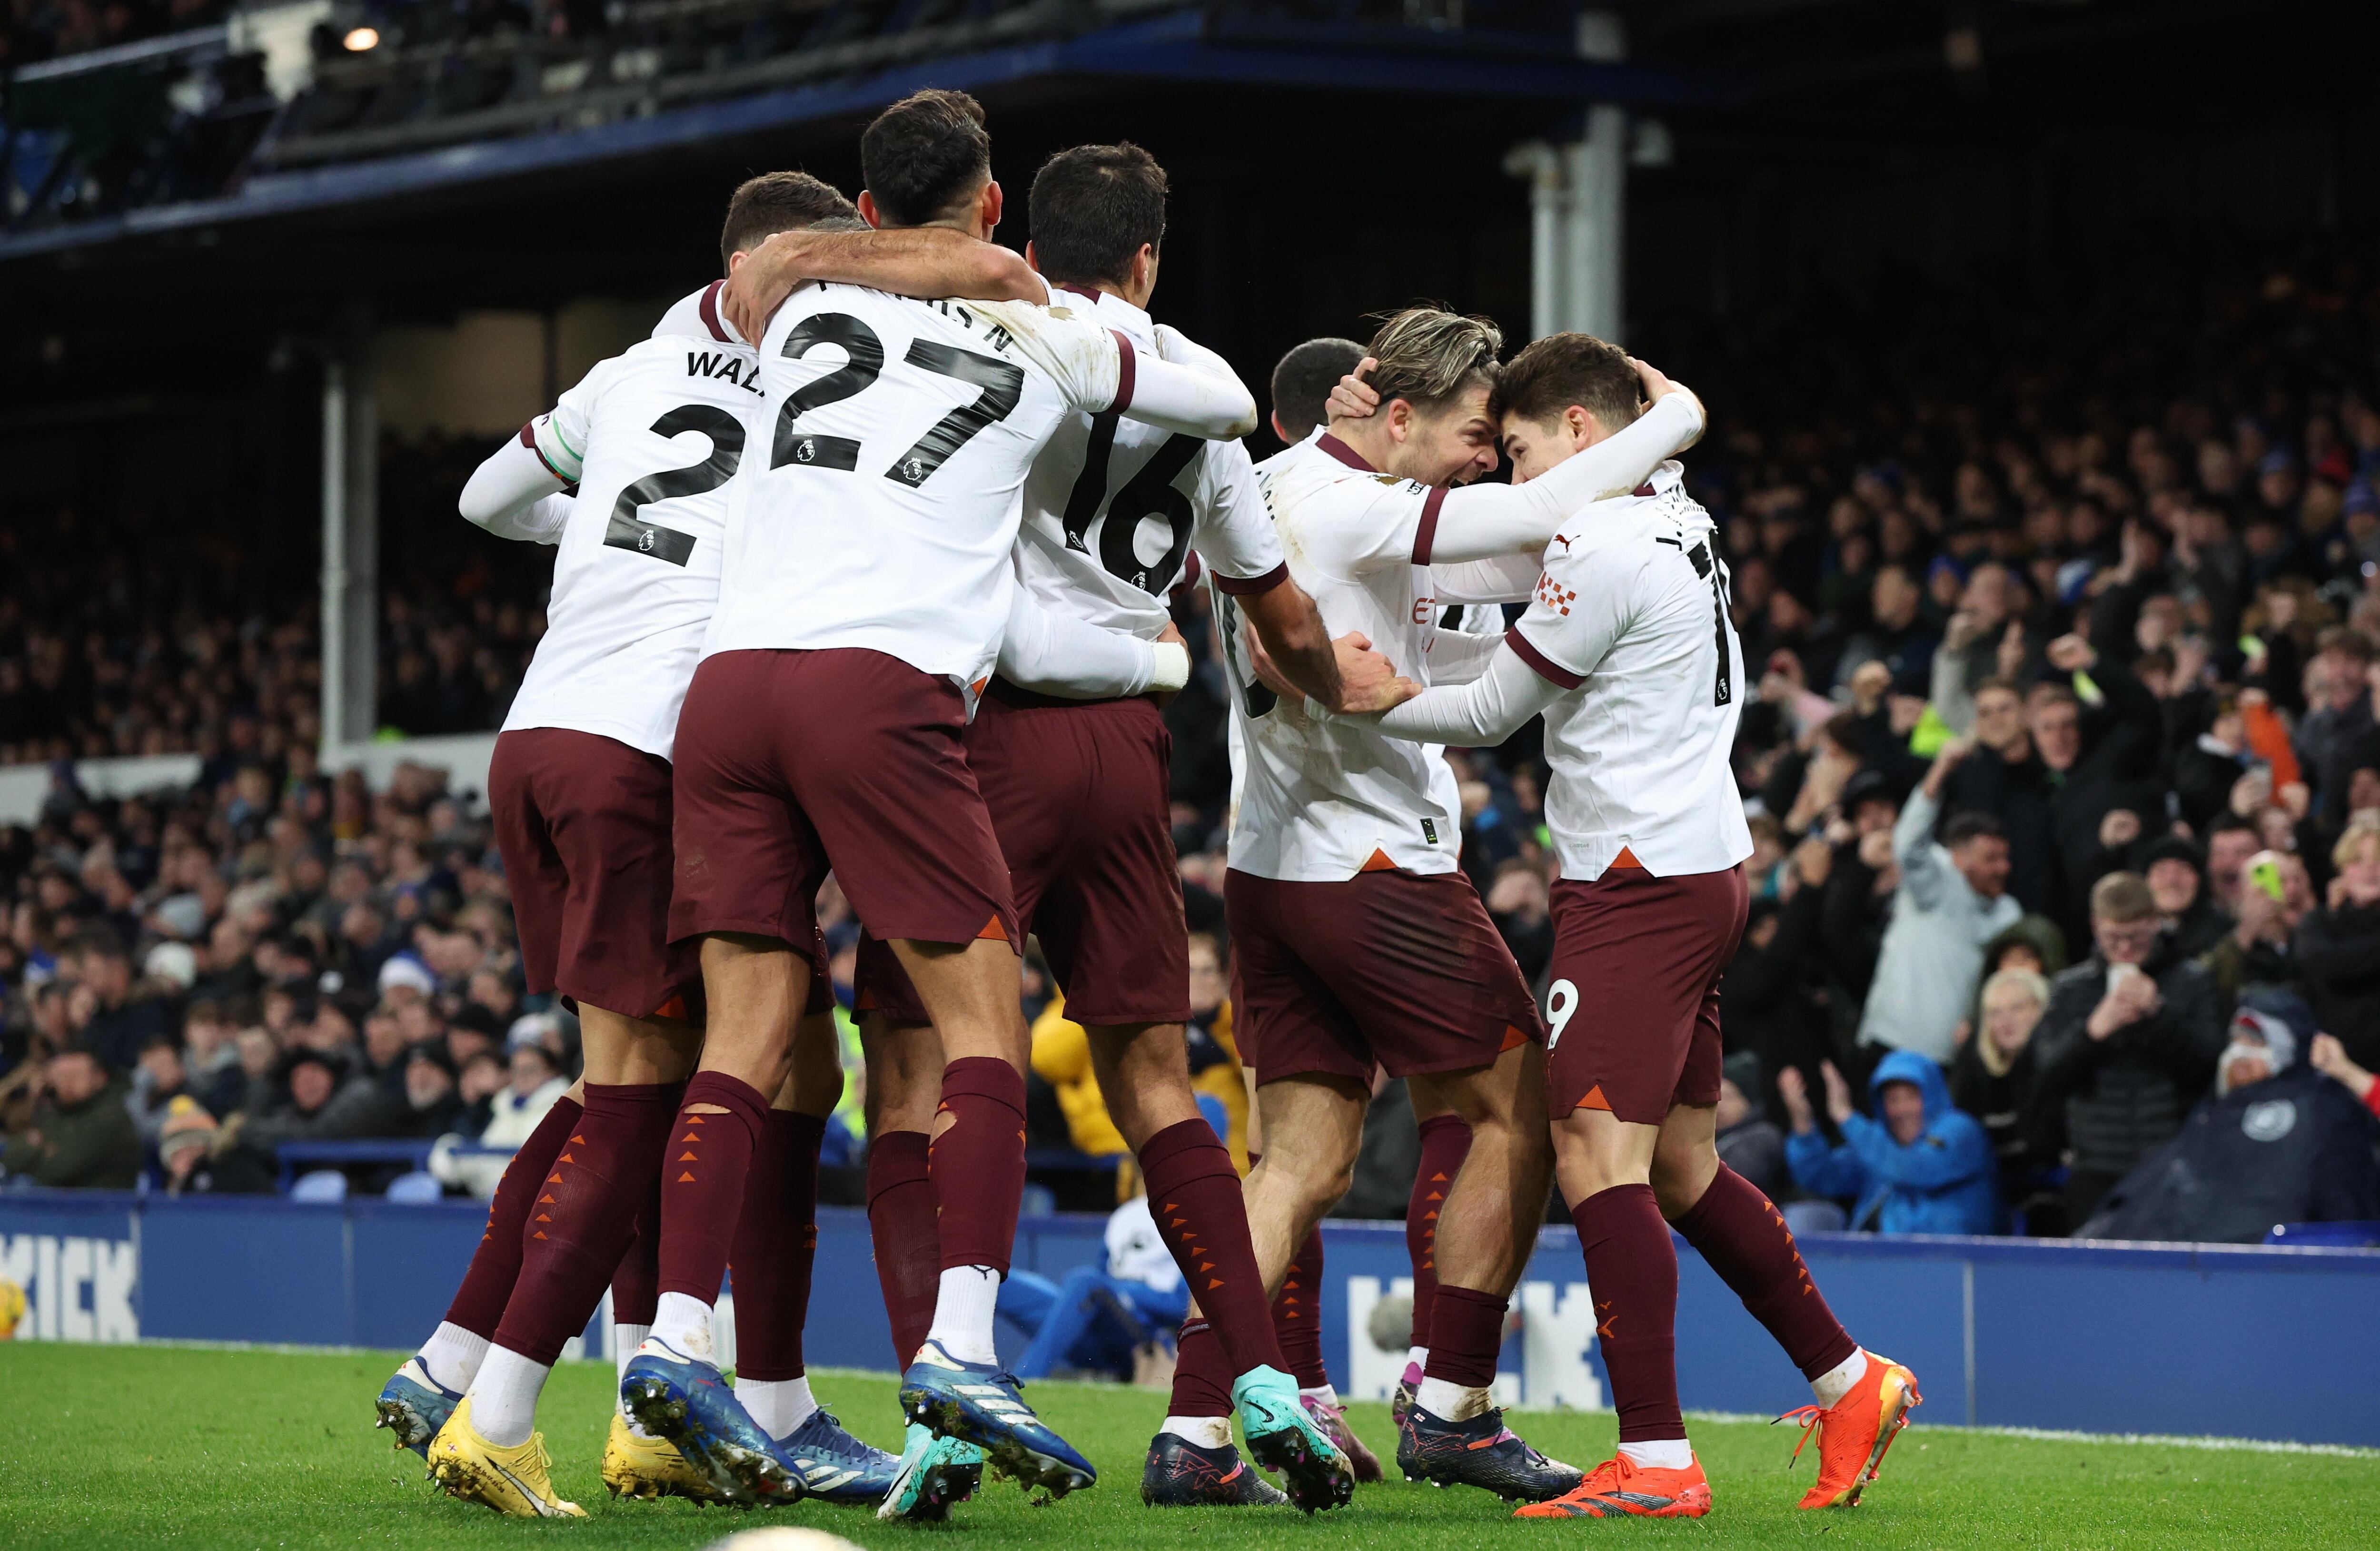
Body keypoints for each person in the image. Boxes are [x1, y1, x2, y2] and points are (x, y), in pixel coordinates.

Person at [639, 88, 1266, 1509]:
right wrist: (1002, 278)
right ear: (997, 210)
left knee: (745, 1035)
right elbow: (1226, 403)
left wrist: (825, 256)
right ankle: (964, 1348)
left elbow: (765, 276)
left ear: (859, 213)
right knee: (982, 1027)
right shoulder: (1048, 328)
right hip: (882, 691)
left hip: (732, 690)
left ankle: (677, 1341)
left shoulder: (783, 297)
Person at [775, 142, 1366, 1514]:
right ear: (1151, 256)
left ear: (1013, 231)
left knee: (919, 1076)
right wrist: (1342, 698)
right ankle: (1259, 1375)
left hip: (981, 743)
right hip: (1129, 748)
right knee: (1159, 1079)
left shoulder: (992, 342)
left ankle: (948, 1399)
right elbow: (1274, 610)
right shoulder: (1201, 402)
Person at [395, 173, 976, 1515]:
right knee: (657, 1092)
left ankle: (554, 1382)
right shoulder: (811, 390)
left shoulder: (629, 371)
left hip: (537, 738)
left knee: (691, 1082)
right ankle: (508, 1409)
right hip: (651, 755)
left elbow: (492, 497)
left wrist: (605, 538)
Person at [1329, 333, 1915, 1520]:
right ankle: (1852, 1381)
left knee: (1597, 1156)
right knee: (1685, 1166)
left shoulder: (1597, 542)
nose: (1520, 478)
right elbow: (1617, 458)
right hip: (1698, 866)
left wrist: (1366, 701)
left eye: (1532, 450)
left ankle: (1654, 1456)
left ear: (1585, 437)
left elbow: (1492, 708)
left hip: (1636, 886)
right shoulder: (1672, 509)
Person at [1230, 315, 1720, 1510]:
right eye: (1473, 434)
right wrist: (1674, 427)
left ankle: (1208, 1411)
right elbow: (1521, 548)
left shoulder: (1271, 497)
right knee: (1516, 1099)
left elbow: (1516, 565)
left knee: (1297, 1155)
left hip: (1268, 855)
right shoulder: (1359, 508)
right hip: (1374, 857)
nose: (1485, 460)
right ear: (1387, 416)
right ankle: (1453, 1401)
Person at [2078, 991, 2380, 1242]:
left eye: (2256, 1042)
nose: (2240, 1055)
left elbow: (2344, 1210)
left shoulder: (2320, 1109)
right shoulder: (2215, 1109)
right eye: (2237, 1040)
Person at [2030, 872, 2225, 1227]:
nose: (2124, 949)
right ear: (2094, 926)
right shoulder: (2072, 989)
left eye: (2135, 937)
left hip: (2172, 1160)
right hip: (2094, 1164)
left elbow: (2208, 1069)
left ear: (2155, 923)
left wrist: (2157, 1017)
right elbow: (2047, 1075)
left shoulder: (2192, 981)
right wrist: (2093, 1031)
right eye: (2112, 938)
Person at [1856, 739, 2020, 1068]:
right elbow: (1908, 845)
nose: (2003, 868)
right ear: (1958, 858)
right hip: (1890, 1045)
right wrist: (1941, 768)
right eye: (1991, 859)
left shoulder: (2009, 912)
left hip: (1956, 1057)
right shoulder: (1937, 883)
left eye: (2005, 858)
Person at [1779, 1054, 1998, 1235]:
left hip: (1956, 1265)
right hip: (1879, 1265)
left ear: (1932, 1095)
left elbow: (1916, 1168)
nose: (1902, 1110)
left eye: (1912, 1097)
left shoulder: (1960, 1131)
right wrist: (1804, 1125)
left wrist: (1847, 1118)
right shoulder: (1880, 1145)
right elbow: (1822, 1176)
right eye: (1893, 1100)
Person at [998, 1192, 1190, 1383]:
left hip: (1140, 1335)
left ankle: (1025, 1381)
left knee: (1085, 1281)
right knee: (1001, 1280)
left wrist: (1127, 1293)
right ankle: (970, 1372)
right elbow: (1104, 1274)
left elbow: (1183, 1305)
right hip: (1100, 1322)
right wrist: (1115, 1291)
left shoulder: (1192, 1217)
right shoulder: (1127, 1214)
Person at [1948, 967, 2058, 1232]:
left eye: (2018, 1008)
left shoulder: (2061, 1069)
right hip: (1997, 1197)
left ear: (2043, 1010)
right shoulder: (1974, 1072)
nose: (2006, 1020)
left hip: (2053, 1195)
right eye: (1995, 1013)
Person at [2293, 816, 2380, 1073]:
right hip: (2336, 1072)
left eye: (2378, 860)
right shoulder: (2319, 922)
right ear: (2342, 869)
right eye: (2357, 861)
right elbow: (2325, 963)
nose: (2370, 870)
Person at [0, 1044, 140, 1189]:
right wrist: (43, 1149)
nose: (66, 1083)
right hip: (57, 1202)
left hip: (103, 1206)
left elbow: (61, 1169)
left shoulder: (111, 1116)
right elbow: (9, 1159)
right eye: (60, 1076)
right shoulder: (57, 1112)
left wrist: (40, 1147)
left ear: (100, 1077)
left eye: (75, 1076)